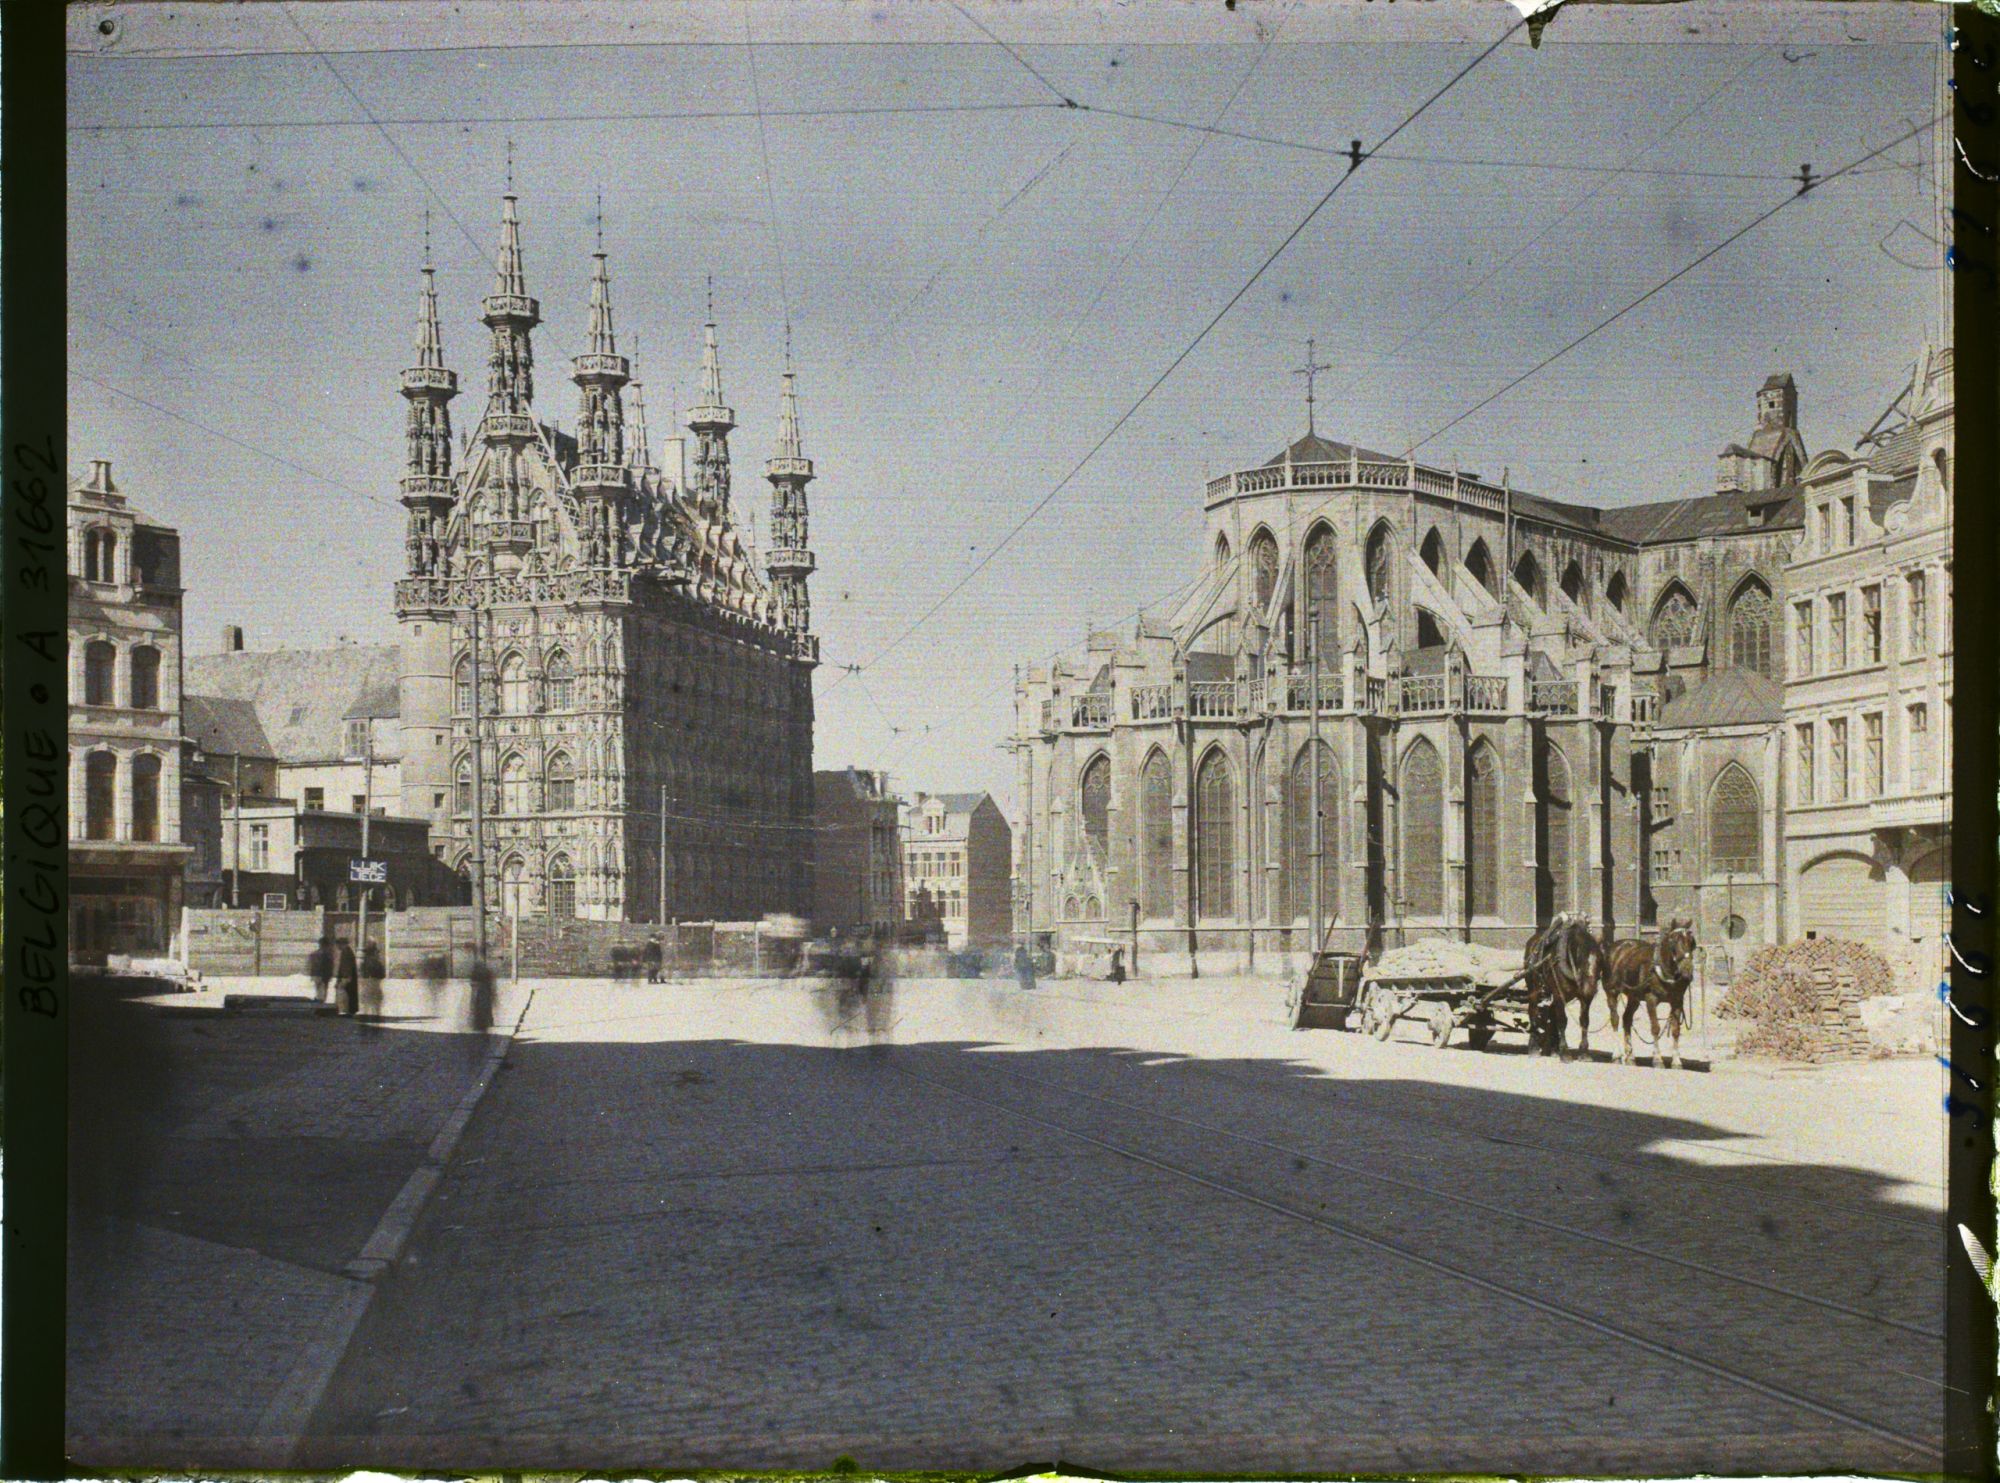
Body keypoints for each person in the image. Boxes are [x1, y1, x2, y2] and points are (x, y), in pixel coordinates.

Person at [359, 939, 387, 1024]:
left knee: (366, 1005)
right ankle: (375, 1021)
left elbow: (361, 973)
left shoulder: (364, 963)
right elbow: (382, 975)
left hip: (367, 984)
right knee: (375, 1006)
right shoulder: (378, 963)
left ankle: (365, 1022)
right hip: (375, 984)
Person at [468, 955, 495, 1036]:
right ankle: (487, 1021)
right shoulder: (486, 972)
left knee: (476, 1006)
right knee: (486, 1006)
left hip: (478, 992)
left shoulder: (475, 972)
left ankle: (476, 1022)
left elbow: (472, 983)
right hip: (484, 992)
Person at [333, 938, 360, 1017]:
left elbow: (346, 966)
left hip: (346, 977)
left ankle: (344, 1011)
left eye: (338, 944)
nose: (337, 947)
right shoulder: (348, 951)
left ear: (341, 944)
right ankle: (347, 1010)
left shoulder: (345, 952)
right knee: (348, 994)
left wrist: (344, 978)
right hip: (348, 977)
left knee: (343, 994)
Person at [307, 936, 333, 1005]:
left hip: (316, 975)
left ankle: (318, 1002)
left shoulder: (314, 954)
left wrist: (312, 975)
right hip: (324, 976)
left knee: (318, 990)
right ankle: (321, 1004)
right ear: (326, 945)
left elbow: (311, 965)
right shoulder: (328, 955)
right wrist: (330, 975)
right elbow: (329, 966)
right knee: (323, 991)